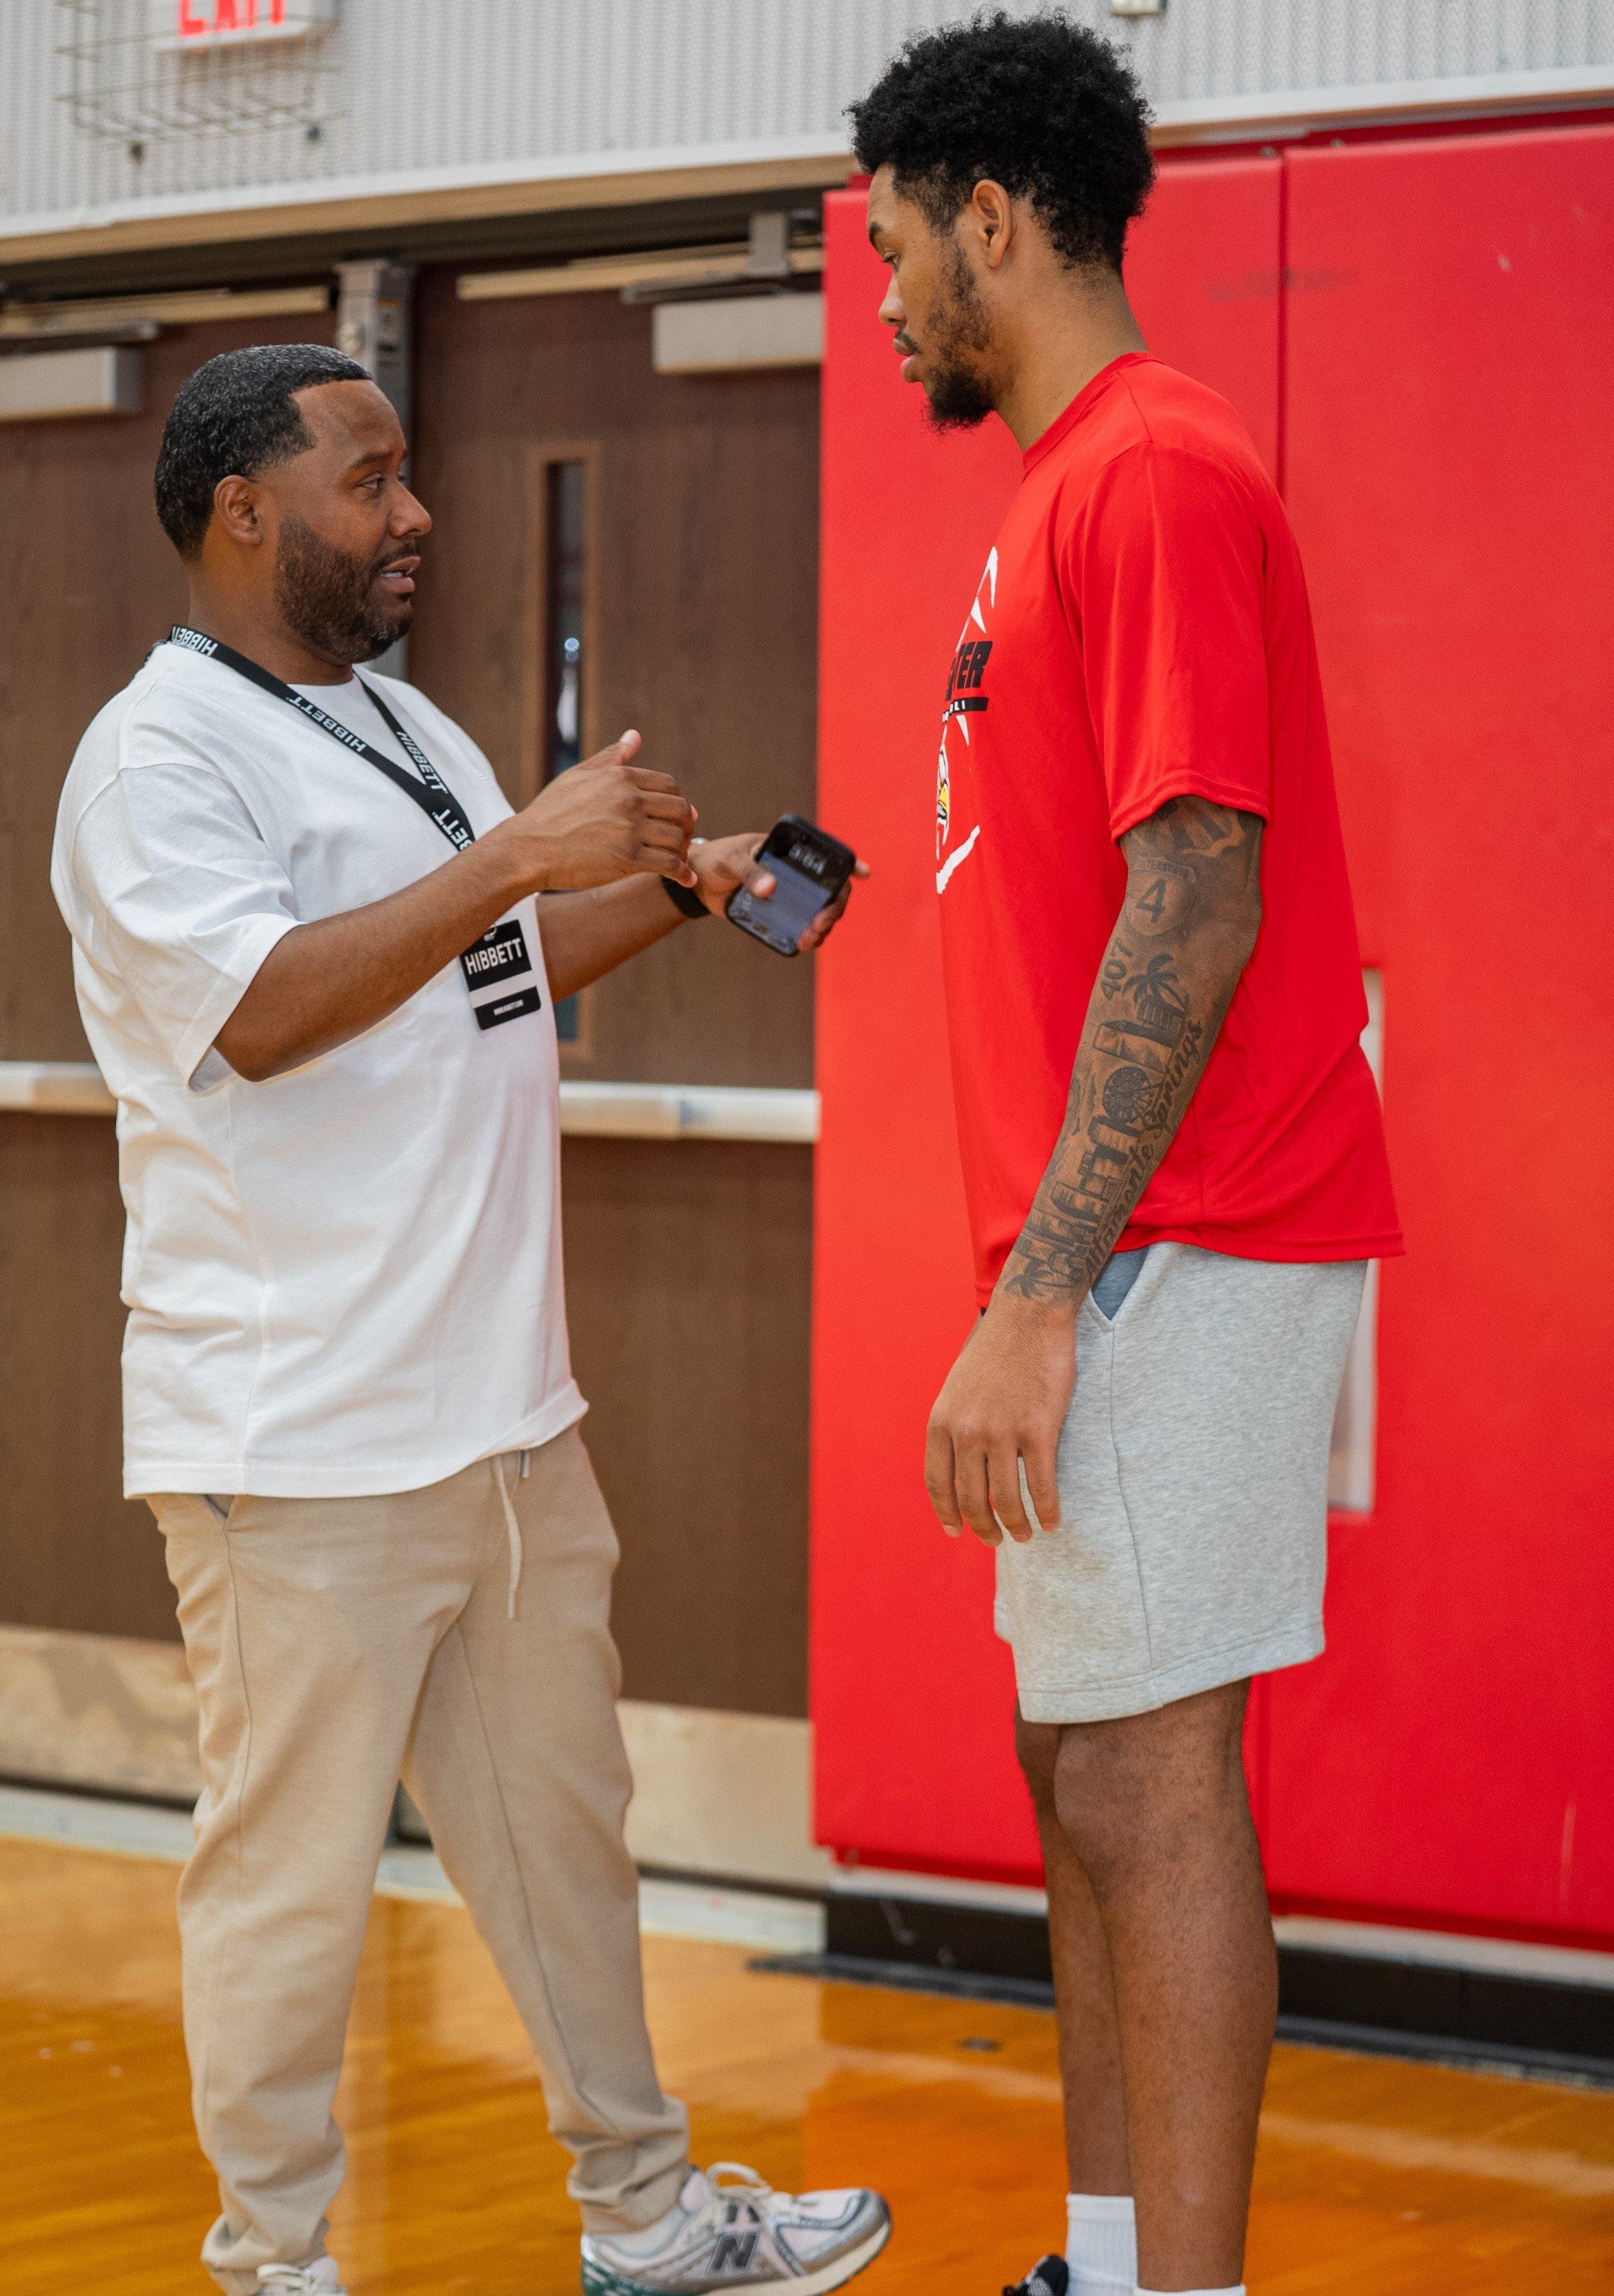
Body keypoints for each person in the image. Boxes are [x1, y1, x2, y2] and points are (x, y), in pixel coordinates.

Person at [50, 342, 888, 2296]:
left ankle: (649, 2213)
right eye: (370, 476)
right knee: (290, 1889)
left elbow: (486, 969)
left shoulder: (407, 726)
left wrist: (678, 893)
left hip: (504, 1420)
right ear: (245, 512)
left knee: (567, 1841)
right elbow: (257, 1012)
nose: (413, 511)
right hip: (296, 1443)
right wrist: (516, 852)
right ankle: (273, 2263)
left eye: (409, 473)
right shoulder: (157, 757)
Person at [850, 18, 1401, 2296]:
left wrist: (1046, 1284)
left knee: (1157, 1785)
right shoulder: (1055, 495)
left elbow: (1202, 884)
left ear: (994, 214)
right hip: (1113, 1251)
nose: (881, 300)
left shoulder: (1155, 473)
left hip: (1188, 1234)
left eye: (894, 247)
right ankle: (1105, 2256)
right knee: (1083, 1769)